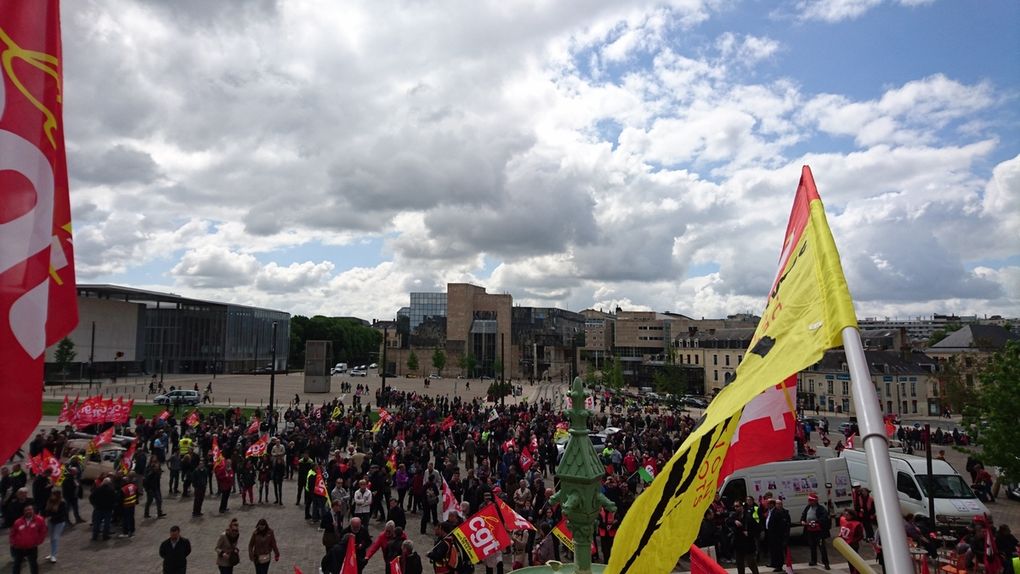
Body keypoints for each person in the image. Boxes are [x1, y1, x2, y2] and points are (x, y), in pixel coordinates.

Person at [9, 504, 47, 574]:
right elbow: (12, 534)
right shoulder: (18, 522)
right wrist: (14, 543)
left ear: (33, 510)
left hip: (32, 547)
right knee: (16, 565)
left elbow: (43, 531)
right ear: (23, 512)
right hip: (19, 548)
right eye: (26, 510)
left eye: (30, 509)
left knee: (33, 565)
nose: (28, 511)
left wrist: (38, 541)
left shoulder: (40, 520)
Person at [727, 499, 760, 574]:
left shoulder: (749, 515)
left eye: (737, 506)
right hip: (738, 543)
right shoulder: (734, 515)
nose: (736, 508)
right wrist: (734, 521)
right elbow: (728, 521)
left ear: (742, 506)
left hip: (748, 543)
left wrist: (749, 533)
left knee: (751, 563)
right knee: (739, 564)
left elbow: (758, 528)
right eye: (734, 506)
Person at [800, 494, 831, 569]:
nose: (809, 502)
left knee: (821, 547)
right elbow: (803, 515)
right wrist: (802, 521)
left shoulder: (821, 509)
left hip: (819, 532)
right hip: (810, 531)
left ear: (815, 501)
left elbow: (824, 518)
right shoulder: (807, 508)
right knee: (812, 546)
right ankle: (813, 560)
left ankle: (826, 563)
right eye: (809, 501)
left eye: (811, 501)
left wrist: (815, 522)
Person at [763, 498, 790, 572]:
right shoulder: (769, 511)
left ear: (772, 504)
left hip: (776, 535)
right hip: (770, 533)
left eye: (768, 504)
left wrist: (780, 535)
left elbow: (781, 525)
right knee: (772, 550)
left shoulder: (777, 512)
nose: (766, 505)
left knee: (778, 550)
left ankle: (779, 565)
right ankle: (773, 563)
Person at [41, 490, 68, 564]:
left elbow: (63, 514)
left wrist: (51, 517)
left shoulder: (62, 503)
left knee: (55, 538)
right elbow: (46, 511)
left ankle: (54, 555)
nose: (52, 496)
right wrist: (46, 516)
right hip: (51, 522)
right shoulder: (49, 501)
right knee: (52, 538)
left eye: (53, 495)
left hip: (59, 522)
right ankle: (52, 553)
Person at [838, 509, 866, 574]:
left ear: (852, 516)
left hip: (853, 545)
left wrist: (853, 541)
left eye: (847, 515)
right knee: (850, 561)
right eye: (845, 514)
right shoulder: (844, 521)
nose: (845, 516)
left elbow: (860, 535)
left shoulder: (857, 524)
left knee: (855, 561)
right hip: (846, 545)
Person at [119, 471, 139, 538]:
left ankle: (125, 532)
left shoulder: (124, 489)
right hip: (132, 505)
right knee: (131, 518)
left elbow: (120, 499)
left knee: (125, 519)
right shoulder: (133, 486)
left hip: (126, 505)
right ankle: (132, 530)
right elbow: (137, 494)